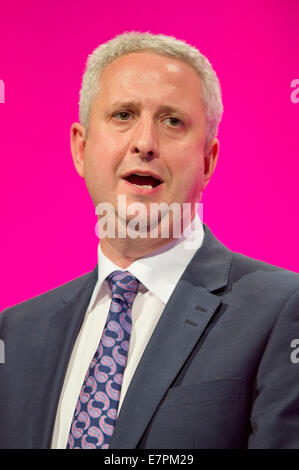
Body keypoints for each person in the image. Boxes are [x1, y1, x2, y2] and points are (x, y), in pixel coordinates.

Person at [0, 31, 299, 450]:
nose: (145, 143)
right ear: (81, 149)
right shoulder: (15, 333)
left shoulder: (283, 309)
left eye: (172, 121)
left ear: (208, 161)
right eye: (123, 115)